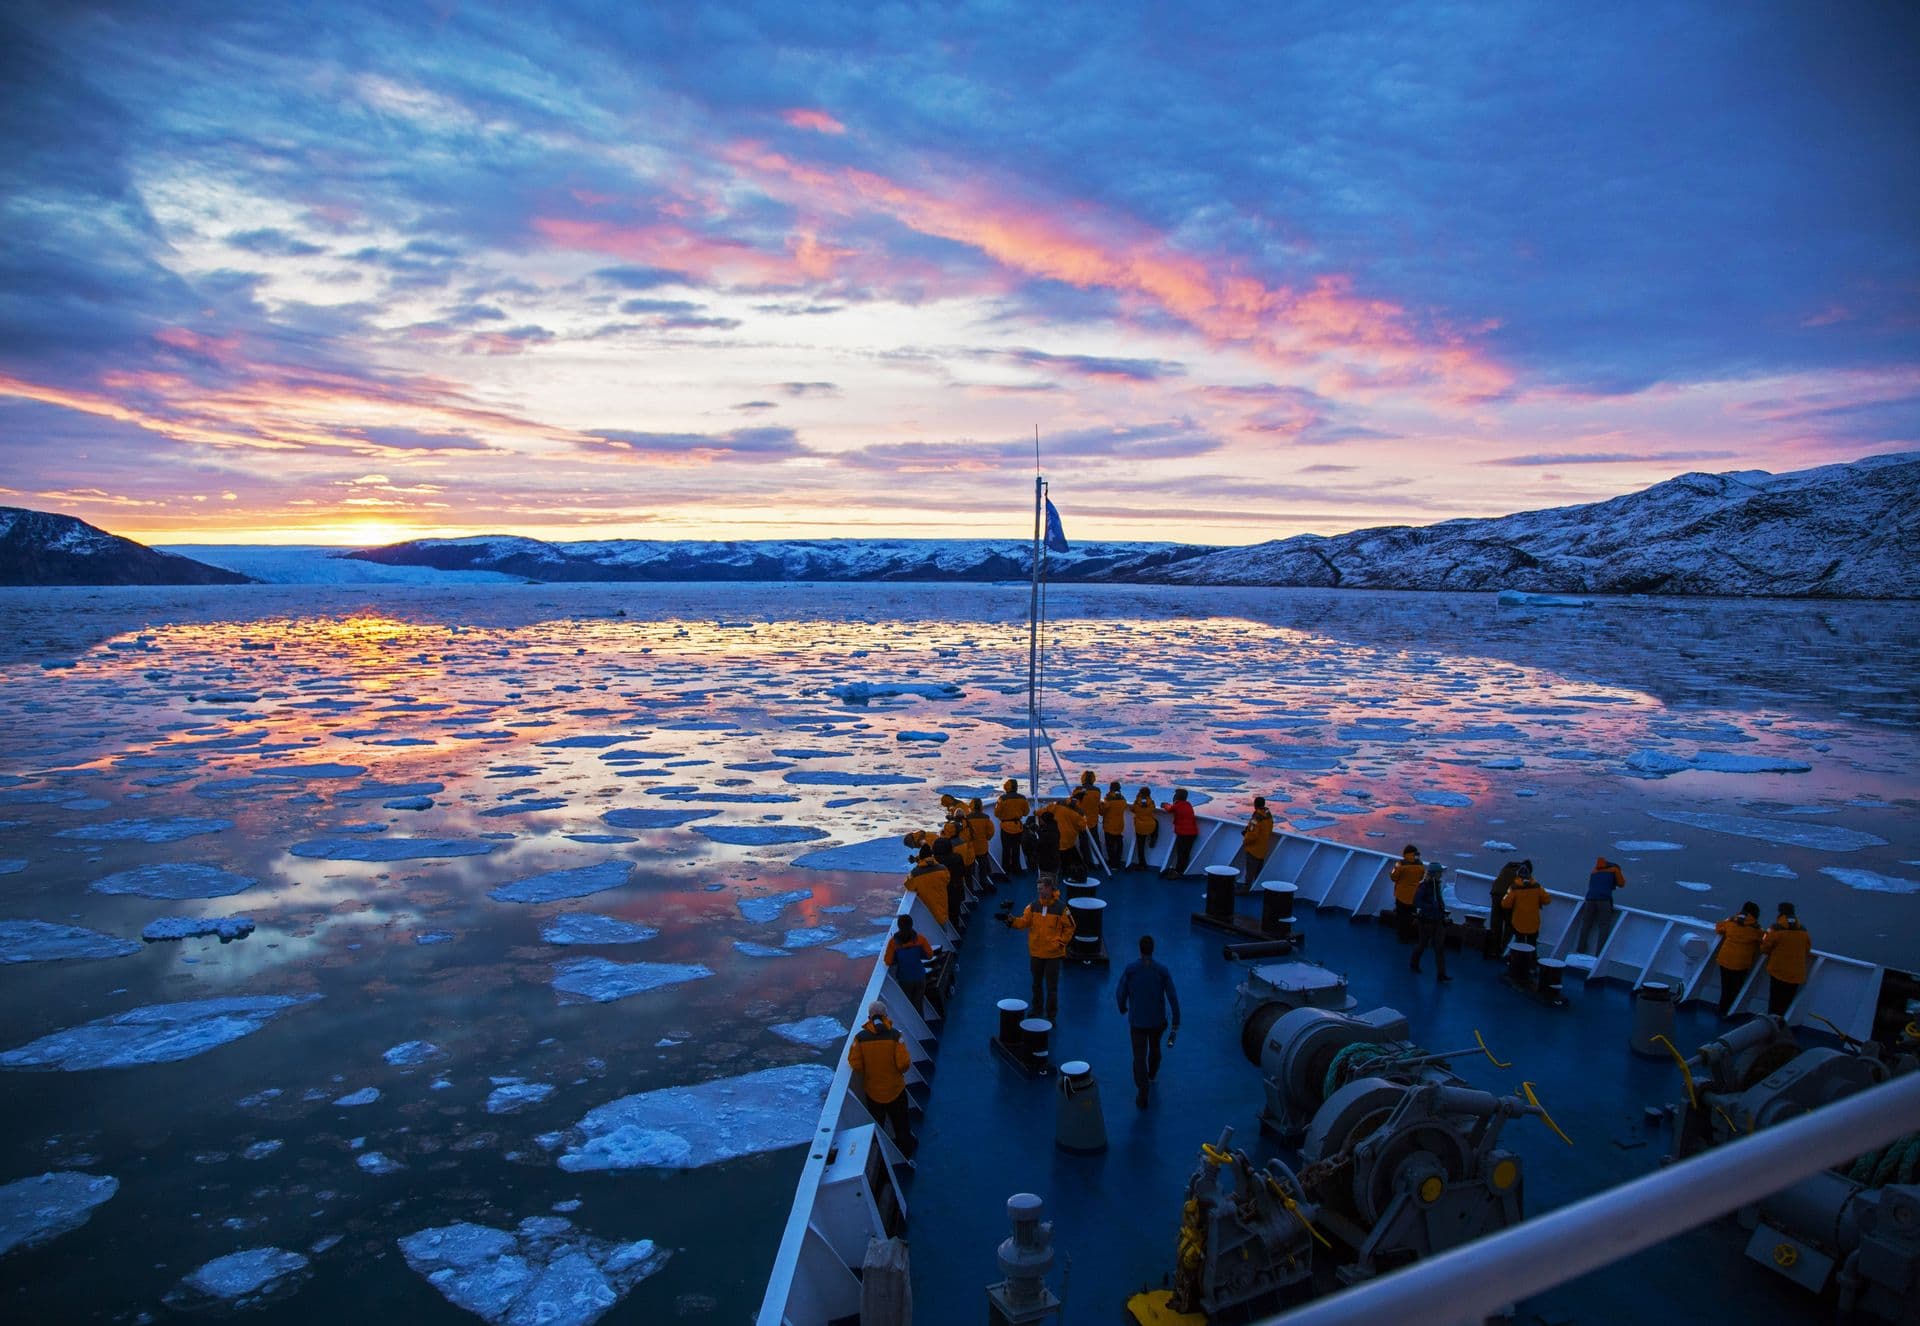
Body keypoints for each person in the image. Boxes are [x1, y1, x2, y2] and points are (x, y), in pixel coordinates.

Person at [1115, 935, 1181, 1109]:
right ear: (1153, 949)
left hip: (1137, 1021)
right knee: (1155, 1047)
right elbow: (1172, 996)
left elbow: (1120, 990)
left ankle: (1143, 1092)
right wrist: (1176, 1018)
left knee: (1138, 1057)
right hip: (1157, 1021)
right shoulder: (1161, 970)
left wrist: (1122, 1007)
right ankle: (1152, 1074)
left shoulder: (1131, 970)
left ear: (1140, 948)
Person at [847, 1000, 914, 1156]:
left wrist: (870, 1071)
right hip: (896, 1090)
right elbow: (903, 1064)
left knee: (879, 1127)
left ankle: (882, 1157)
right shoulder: (896, 1036)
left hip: (873, 1092)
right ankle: (906, 1152)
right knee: (901, 1124)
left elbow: (855, 1064)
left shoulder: (860, 1038)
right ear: (885, 1015)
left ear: (869, 1017)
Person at [1007, 880, 1075, 1021]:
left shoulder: (1061, 908)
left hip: (1053, 955)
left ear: (1050, 889)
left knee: (1052, 987)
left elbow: (1071, 926)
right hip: (1036, 953)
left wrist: (1061, 942)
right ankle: (1037, 1008)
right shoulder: (1033, 906)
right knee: (1036, 983)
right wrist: (1012, 921)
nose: (1039, 891)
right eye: (1038, 888)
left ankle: (1051, 1015)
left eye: (1042, 888)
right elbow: (1025, 921)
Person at [1713, 901, 1765, 1018]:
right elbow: (1763, 939)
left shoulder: (1731, 921)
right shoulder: (1756, 929)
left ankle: (1722, 1010)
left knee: (1725, 986)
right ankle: (1731, 1012)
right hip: (1742, 963)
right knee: (1735, 989)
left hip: (1725, 959)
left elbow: (1719, 928)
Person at [1760, 902, 1811, 1017]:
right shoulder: (1803, 931)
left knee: (1775, 1002)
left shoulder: (1775, 929)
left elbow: (1764, 948)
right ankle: (1779, 1026)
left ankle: (1769, 1026)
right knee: (1785, 1004)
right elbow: (1807, 950)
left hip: (1778, 971)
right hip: (1796, 974)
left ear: (1780, 912)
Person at [1408, 862, 1452, 982]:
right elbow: (1417, 902)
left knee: (1439, 946)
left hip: (1437, 920)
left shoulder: (1436, 886)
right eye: (1439, 872)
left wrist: (1441, 913)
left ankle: (1441, 974)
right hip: (1426, 920)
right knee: (1423, 944)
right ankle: (1414, 963)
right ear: (1435, 873)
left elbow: (1438, 901)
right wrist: (1431, 906)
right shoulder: (1424, 886)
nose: (1441, 875)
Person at [884, 915, 935, 1013]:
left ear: (899, 926)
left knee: (910, 1007)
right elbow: (930, 955)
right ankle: (922, 1024)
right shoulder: (920, 939)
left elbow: (888, 961)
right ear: (912, 925)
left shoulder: (893, 943)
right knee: (918, 1003)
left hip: (905, 979)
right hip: (920, 977)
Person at [1576, 857, 1626, 954]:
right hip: (1604, 899)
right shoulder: (1614, 869)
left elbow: (1591, 885)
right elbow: (1621, 883)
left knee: (1586, 924)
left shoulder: (1594, 871)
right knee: (1604, 925)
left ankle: (1580, 949)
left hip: (1590, 899)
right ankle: (1599, 953)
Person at [1501, 861, 1551, 946]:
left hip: (1518, 922)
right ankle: (1531, 958)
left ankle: (1518, 958)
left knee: (1519, 944)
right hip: (1533, 922)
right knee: (1532, 944)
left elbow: (1505, 904)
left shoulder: (1514, 888)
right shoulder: (1537, 887)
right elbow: (1547, 900)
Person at [903, 842, 951, 928]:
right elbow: (947, 880)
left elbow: (908, 885)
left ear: (920, 857)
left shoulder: (915, 874)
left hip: (927, 912)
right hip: (942, 908)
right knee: (943, 930)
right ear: (931, 855)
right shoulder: (943, 869)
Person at [1483, 861, 1520, 958]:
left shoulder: (1504, 870)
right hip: (1507, 899)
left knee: (1495, 923)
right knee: (1509, 925)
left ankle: (1493, 949)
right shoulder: (1519, 873)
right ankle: (1503, 950)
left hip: (1496, 895)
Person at [1046, 798, 1087, 882]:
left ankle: (1059, 870)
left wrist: (1036, 812)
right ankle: (1070, 871)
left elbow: (1045, 810)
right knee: (1070, 854)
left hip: (1056, 839)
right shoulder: (1077, 814)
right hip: (1068, 842)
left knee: (1059, 854)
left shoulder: (1057, 808)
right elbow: (1082, 827)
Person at [1160, 788, 1199, 877]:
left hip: (1184, 833)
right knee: (1186, 852)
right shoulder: (1188, 804)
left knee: (1181, 852)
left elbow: (1169, 809)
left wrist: (1164, 804)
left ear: (1177, 797)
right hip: (1192, 833)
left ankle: (1178, 871)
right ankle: (1182, 870)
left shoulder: (1177, 805)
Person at [995, 779, 1031, 873]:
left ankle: (1006, 870)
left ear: (1007, 787)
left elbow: (996, 813)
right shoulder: (1023, 798)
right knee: (1016, 849)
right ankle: (1017, 869)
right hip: (1018, 827)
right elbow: (1026, 812)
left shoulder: (1002, 798)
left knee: (1006, 850)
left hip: (1005, 827)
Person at [1390, 845, 1424, 942]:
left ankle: (1402, 936)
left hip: (1401, 895)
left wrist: (1392, 872)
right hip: (1414, 895)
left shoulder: (1399, 864)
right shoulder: (1420, 865)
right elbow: (1421, 878)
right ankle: (1410, 935)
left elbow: (1393, 877)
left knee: (1401, 915)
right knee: (1410, 915)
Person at [1240, 797, 1274, 891]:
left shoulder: (1255, 819)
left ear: (1255, 805)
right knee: (1258, 871)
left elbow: (1252, 835)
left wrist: (1245, 840)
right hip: (1263, 848)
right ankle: (1256, 888)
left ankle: (1246, 889)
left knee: (1250, 871)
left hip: (1253, 850)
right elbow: (1269, 829)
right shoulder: (1268, 816)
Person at [966, 797, 998, 893]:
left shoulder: (966, 819)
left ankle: (971, 888)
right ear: (981, 806)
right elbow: (990, 832)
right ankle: (984, 883)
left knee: (970, 869)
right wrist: (986, 838)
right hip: (982, 847)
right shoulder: (986, 818)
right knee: (982, 867)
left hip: (970, 848)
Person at [1071, 772, 1104, 862]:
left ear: (1083, 778)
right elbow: (1097, 804)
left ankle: (1087, 861)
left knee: (1083, 841)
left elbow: (1072, 803)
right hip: (1093, 821)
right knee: (1095, 841)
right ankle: (1099, 860)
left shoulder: (1077, 790)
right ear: (1093, 779)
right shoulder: (1097, 791)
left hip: (1081, 820)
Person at [1028, 810, 1063, 890]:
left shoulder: (1047, 833)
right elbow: (1046, 836)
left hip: (1046, 863)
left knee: (1045, 884)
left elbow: (1041, 844)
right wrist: (1038, 830)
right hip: (1055, 860)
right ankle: (1053, 897)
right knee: (1053, 882)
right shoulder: (1054, 828)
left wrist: (1033, 837)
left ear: (1044, 820)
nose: (1040, 820)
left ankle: (1047, 899)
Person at [1101, 782, 1128, 873]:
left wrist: (1104, 801)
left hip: (1109, 825)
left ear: (1111, 788)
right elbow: (1124, 806)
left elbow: (1104, 810)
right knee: (1119, 843)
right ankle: (1118, 862)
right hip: (1119, 825)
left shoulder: (1108, 799)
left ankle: (1113, 863)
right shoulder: (1122, 799)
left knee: (1110, 845)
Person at [1130, 787, 1158, 870]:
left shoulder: (1137, 803)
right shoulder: (1151, 802)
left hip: (1140, 827)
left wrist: (1137, 799)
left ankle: (1142, 864)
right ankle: (1154, 836)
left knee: (1140, 846)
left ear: (1140, 793)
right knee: (1156, 822)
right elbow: (1153, 808)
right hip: (1150, 826)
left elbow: (1133, 810)